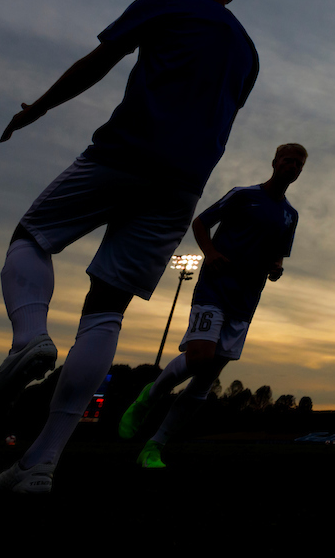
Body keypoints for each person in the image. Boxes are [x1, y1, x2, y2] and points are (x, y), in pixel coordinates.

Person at [0, 0, 258, 492]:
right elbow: (223, 112)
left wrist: (37, 108)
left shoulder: (165, 4)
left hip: (124, 153)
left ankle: (30, 338)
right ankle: (42, 463)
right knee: (106, 310)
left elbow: (98, 61)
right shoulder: (248, 50)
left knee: (31, 237)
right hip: (182, 183)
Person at [117, 144, 306, 468]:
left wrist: (276, 268)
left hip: (245, 301)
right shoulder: (243, 195)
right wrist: (211, 253)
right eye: (287, 160)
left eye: (298, 164)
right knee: (199, 358)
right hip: (215, 288)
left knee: (207, 378)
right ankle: (149, 396)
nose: (292, 166)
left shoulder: (291, 215)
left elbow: (279, 253)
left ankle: (155, 446)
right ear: (274, 162)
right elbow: (201, 222)